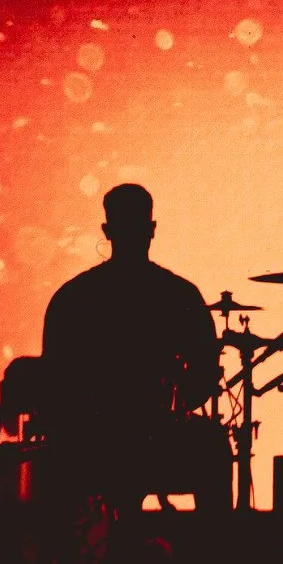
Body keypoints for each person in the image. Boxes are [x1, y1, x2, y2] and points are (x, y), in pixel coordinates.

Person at [39, 183, 225, 514]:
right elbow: (204, 379)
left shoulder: (73, 297)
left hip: (90, 443)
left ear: (107, 230)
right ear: (152, 229)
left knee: (54, 454)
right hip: (160, 442)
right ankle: (212, 555)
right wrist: (170, 409)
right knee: (213, 446)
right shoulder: (180, 295)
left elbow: (54, 383)